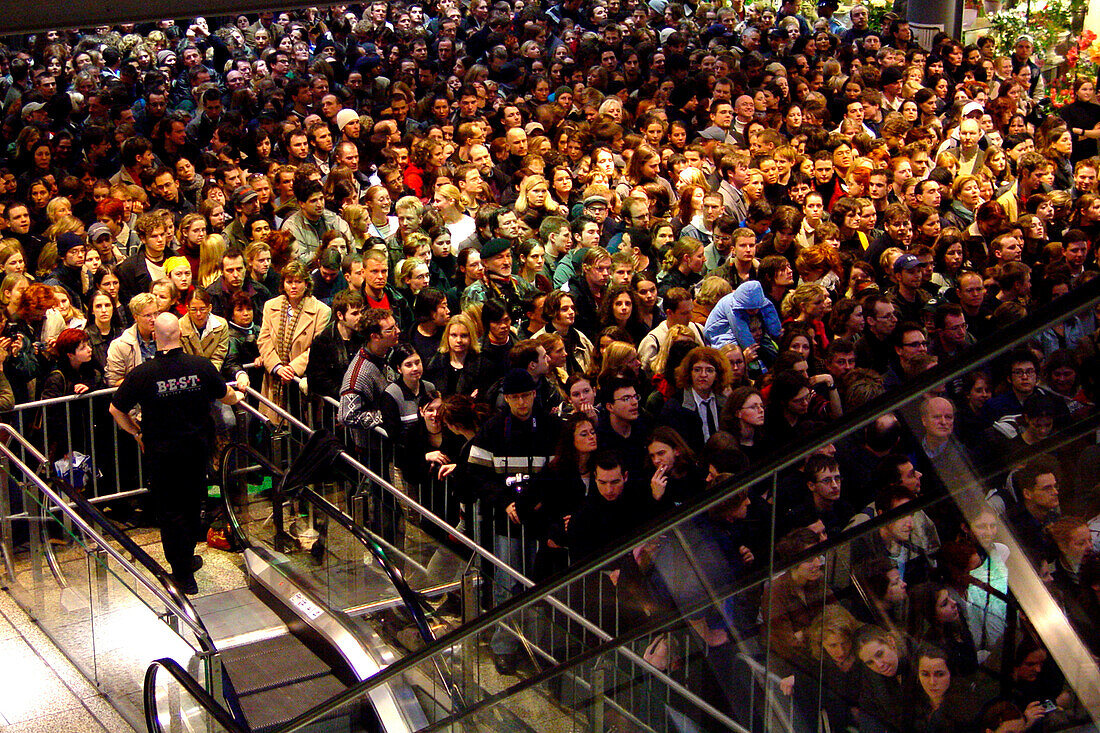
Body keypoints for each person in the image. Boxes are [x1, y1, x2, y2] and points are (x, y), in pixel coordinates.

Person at [109, 313, 243, 594]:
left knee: (170, 511)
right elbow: (225, 396)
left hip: (162, 453)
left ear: (155, 337)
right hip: (196, 449)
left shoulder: (143, 373)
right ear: (180, 335)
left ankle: (181, 570)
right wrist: (238, 396)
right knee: (193, 504)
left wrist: (136, 433)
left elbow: (116, 409)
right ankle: (186, 560)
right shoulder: (200, 366)